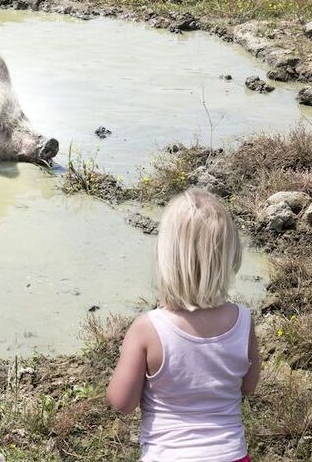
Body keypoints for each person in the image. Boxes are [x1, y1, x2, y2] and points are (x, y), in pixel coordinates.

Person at [107, 188, 261, 462]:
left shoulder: (147, 328)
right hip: (231, 456)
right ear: (230, 258)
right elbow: (247, 386)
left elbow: (122, 403)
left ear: (165, 258)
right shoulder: (243, 321)